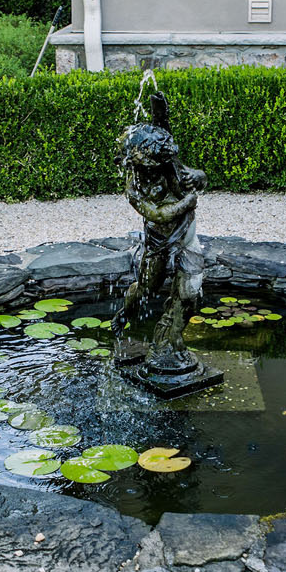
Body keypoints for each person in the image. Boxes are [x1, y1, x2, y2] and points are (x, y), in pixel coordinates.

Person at [112, 91, 208, 375]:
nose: (156, 169)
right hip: (157, 240)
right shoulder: (134, 187)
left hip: (186, 236)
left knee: (190, 291)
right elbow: (156, 214)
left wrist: (198, 177)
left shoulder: (166, 162)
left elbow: (199, 176)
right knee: (146, 288)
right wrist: (187, 203)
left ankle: (169, 340)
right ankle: (124, 314)